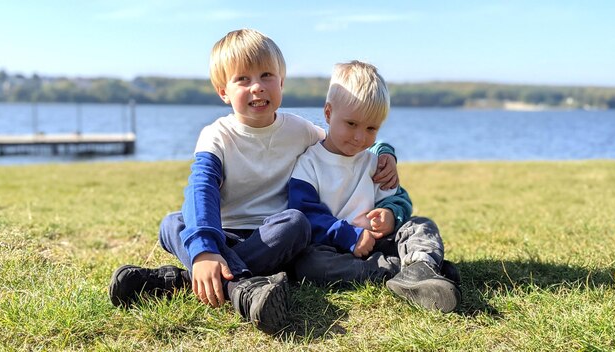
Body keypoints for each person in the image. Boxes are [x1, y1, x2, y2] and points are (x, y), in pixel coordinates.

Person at [108, 29, 401, 334]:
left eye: (266, 75)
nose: (257, 87)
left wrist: (385, 153)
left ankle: (182, 281)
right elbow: (201, 189)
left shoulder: (300, 130)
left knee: (296, 222)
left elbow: (347, 142)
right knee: (172, 223)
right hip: (224, 235)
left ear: (281, 83)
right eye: (243, 80)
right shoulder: (216, 135)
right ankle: (240, 288)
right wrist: (206, 248)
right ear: (223, 91)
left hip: (272, 238)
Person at [288, 60, 462, 313]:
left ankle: (421, 268)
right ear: (328, 113)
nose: (360, 137)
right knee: (306, 264)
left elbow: (399, 199)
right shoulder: (308, 163)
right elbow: (305, 214)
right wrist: (348, 236)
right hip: (331, 248)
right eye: (351, 124)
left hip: (377, 243)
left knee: (422, 225)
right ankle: (399, 271)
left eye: (371, 128)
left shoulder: (374, 162)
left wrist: (391, 214)